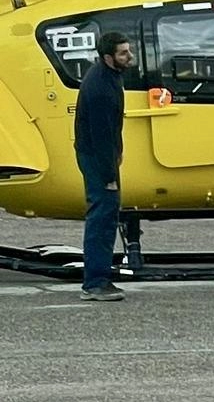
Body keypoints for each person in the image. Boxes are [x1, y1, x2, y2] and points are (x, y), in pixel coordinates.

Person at [74, 31, 134, 302]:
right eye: (123, 53)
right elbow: (100, 134)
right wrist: (109, 174)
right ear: (108, 57)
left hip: (103, 156)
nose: (129, 56)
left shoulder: (110, 75)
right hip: (98, 159)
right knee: (102, 218)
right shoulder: (99, 86)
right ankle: (95, 283)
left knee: (106, 214)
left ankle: (98, 278)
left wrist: (117, 153)